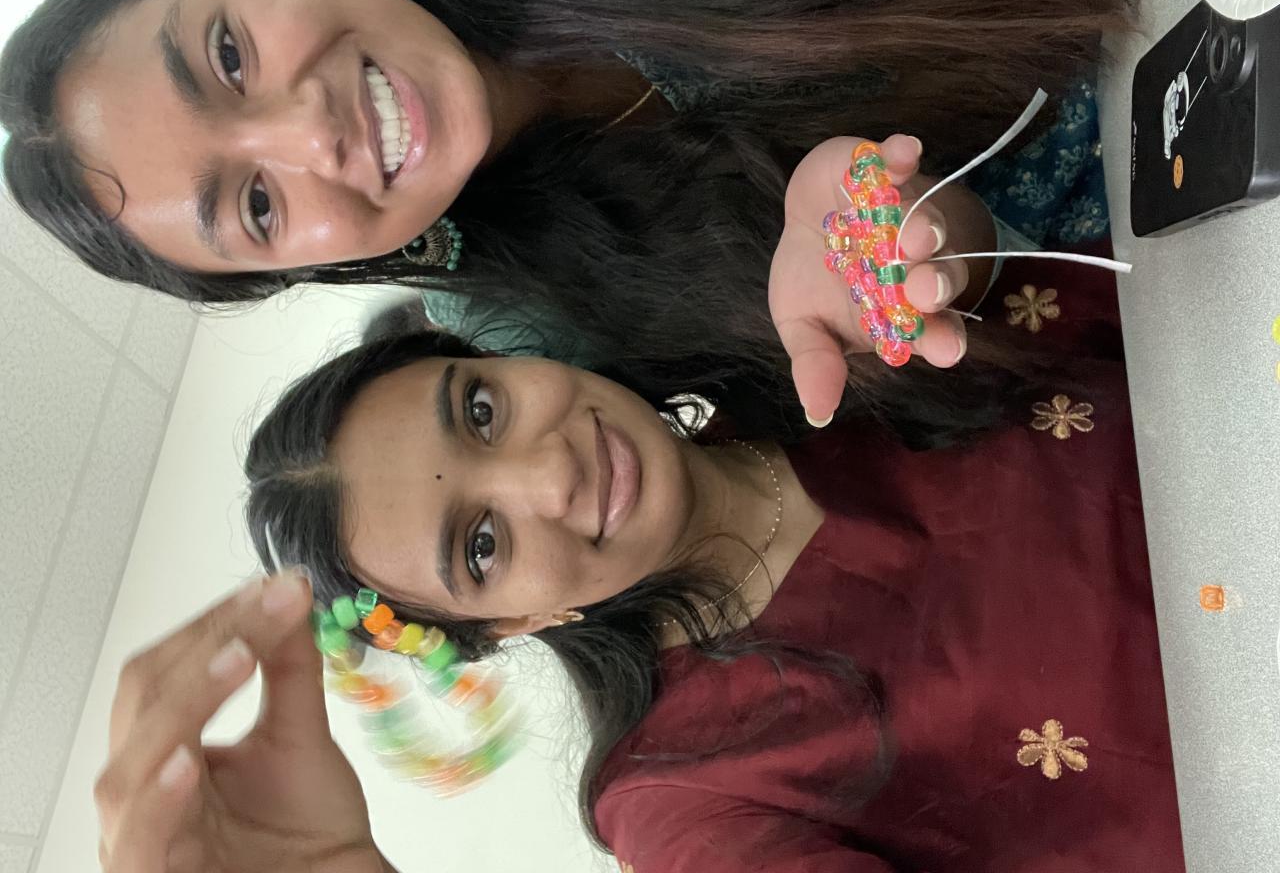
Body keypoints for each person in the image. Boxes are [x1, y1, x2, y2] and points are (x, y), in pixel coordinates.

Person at [93, 251, 1183, 872]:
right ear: (507, 629)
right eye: (481, 545)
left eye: (481, 411)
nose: (548, 474)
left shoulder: (784, 309)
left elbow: (1126, 288)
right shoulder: (683, 794)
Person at [1, 0, 1135, 434]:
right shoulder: (526, 338)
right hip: (1160, 237)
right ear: (297, 267)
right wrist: (914, 241)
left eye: (228, 54)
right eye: (255, 204)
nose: (312, 137)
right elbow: (987, 295)